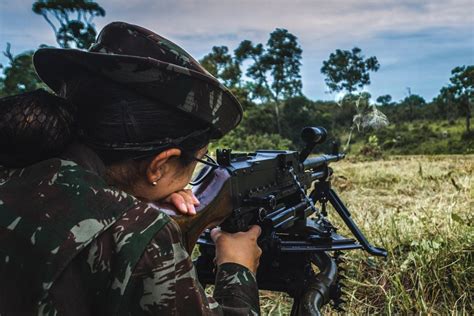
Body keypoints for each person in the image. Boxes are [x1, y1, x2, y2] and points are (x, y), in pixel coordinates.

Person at [0, 22, 262, 315]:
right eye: (201, 159)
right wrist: (237, 267)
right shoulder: (137, 235)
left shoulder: (15, 169)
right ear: (159, 166)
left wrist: (131, 199)